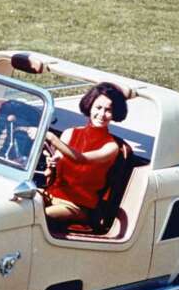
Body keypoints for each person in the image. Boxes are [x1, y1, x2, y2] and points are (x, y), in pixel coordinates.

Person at [43, 82, 128, 226]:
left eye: (109, 110)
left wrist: (52, 138)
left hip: (78, 206)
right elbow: (57, 162)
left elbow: (81, 159)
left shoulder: (111, 146)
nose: (102, 114)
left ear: (115, 114)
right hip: (51, 194)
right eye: (98, 107)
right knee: (18, 206)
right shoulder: (70, 133)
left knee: (38, 217)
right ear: (90, 106)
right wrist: (52, 163)